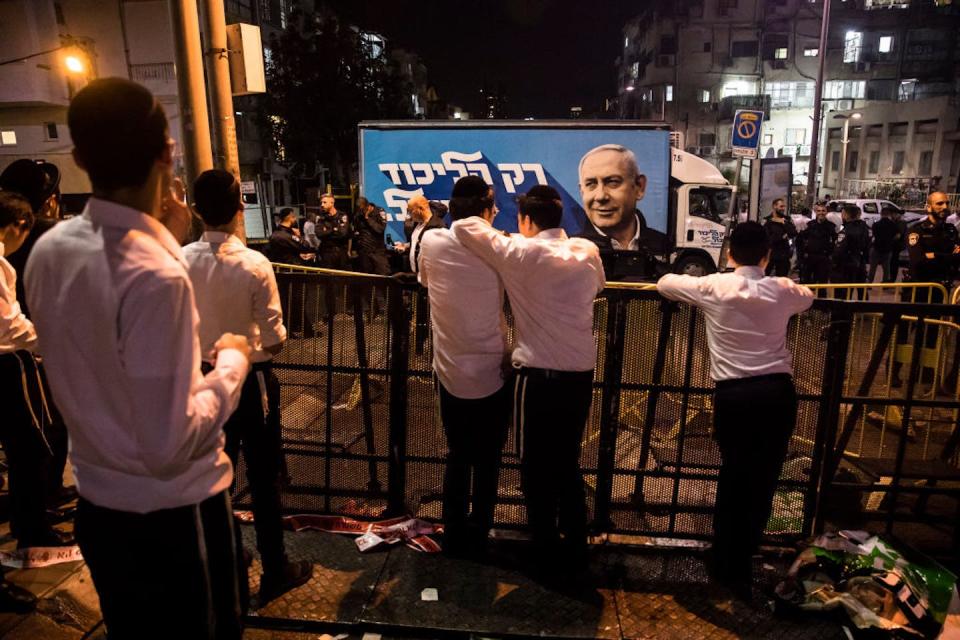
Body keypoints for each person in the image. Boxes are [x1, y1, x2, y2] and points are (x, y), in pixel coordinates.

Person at [25, 78, 250, 639]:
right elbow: (167, 443)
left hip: (100, 505)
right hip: (174, 516)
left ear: (77, 157)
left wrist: (166, 237)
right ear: (168, 153)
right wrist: (231, 366)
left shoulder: (48, 251)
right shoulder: (155, 277)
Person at [453, 183, 605, 580]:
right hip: (580, 376)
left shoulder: (521, 252)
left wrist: (503, 234)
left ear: (526, 220)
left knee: (534, 468)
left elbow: (467, 228)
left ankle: (545, 551)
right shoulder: (587, 252)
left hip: (537, 379)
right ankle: (575, 546)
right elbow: (600, 287)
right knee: (567, 463)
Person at [657, 221, 814, 599]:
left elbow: (665, 283)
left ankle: (725, 559)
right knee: (764, 479)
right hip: (777, 394)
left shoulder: (714, 286)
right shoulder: (783, 290)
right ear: (768, 255)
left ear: (728, 253)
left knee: (733, 476)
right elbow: (807, 295)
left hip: (735, 396)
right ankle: (746, 554)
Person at [184, 169, 312, 606]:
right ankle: (275, 569)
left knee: (210, 476)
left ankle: (224, 564)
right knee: (262, 477)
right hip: (250, 383)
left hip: (200, 379)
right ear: (240, 208)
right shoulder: (255, 265)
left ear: (195, 209)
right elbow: (275, 340)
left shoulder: (180, 260)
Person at [417, 176, 510, 558]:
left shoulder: (432, 242)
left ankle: (453, 530)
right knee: (488, 457)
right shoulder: (500, 247)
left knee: (457, 453)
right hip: (494, 370)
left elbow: (423, 279)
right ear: (486, 211)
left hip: (450, 369)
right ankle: (481, 529)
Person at [0, 191, 63, 614]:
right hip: (6, 367)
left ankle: (32, 527)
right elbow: (9, 325)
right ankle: (32, 530)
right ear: (18, 226)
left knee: (28, 449)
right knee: (31, 447)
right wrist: (51, 341)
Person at [0, 159, 74, 508]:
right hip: (25, 349)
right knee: (40, 435)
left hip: (26, 344)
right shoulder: (50, 234)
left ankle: (36, 505)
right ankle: (37, 512)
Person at [892, 192, 960, 387]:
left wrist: (935, 255)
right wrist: (946, 256)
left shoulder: (950, 231)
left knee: (932, 334)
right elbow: (919, 261)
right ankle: (894, 372)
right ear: (928, 206)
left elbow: (957, 257)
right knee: (905, 332)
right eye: (939, 203)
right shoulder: (917, 230)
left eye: (946, 203)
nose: (944, 206)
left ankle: (925, 375)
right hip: (917, 288)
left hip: (938, 290)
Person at [576, 144, 668, 281]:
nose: (601, 196)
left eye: (612, 182)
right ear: (582, 191)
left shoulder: (665, 245)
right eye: (591, 184)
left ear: (639, 187)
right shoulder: (570, 253)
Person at [831, 203, 870, 298]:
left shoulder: (846, 230)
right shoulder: (864, 227)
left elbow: (839, 251)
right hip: (860, 264)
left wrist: (833, 264)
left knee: (843, 295)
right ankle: (861, 311)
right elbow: (867, 246)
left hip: (845, 268)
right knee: (861, 291)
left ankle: (843, 312)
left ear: (845, 214)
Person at [797, 201, 836, 287]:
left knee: (822, 284)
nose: (821, 213)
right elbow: (800, 239)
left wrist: (830, 255)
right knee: (807, 284)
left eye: (823, 210)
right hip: (810, 258)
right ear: (815, 212)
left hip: (824, 259)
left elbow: (835, 241)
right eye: (819, 211)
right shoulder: (810, 225)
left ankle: (821, 300)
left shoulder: (831, 226)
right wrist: (802, 254)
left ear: (826, 212)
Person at [405, 194, 446, 274]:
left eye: (410, 211)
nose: (409, 215)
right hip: (415, 276)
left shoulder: (437, 227)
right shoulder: (416, 224)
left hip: (429, 278)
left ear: (420, 209)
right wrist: (406, 246)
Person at [353, 198, 390, 276]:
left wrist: (368, 218)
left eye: (363, 210)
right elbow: (356, 230)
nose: (362, 212)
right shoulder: (358, 215)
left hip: (377, 250)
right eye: (360, 210)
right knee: (365, 277)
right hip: (364, 250)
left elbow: (380, 229)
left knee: (382, 274)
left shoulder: (379, 212)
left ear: (368, 206)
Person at [762, 198, 797, 277]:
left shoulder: (787, 220)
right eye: (781, 206)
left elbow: (793, 233)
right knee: (765, 278)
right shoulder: (767, 220)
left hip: (784, 255)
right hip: (770, 255)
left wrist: (783, 223)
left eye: (784, 206)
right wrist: (782, 237)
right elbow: (767, 239)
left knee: (782, 281)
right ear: (774, 206)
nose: (783, 209)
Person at [316, 194, 351, 270]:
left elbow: (343, 234)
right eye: (321, 202)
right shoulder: (321, 218)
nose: (322, 205)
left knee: (343, 278)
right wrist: (334, 230)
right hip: (327, 252)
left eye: (324, 202)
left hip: (341, 252)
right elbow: (319, 234)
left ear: (332, 203)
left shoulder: (342, 216)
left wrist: (327, 231)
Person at [868, 207, 901, 284]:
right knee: (886, 269)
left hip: (876, 248)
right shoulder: (893, 224)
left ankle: (869, 283)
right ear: (889, 214)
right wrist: (891, 239)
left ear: (881, 214)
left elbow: (873, 235)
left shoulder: (876, 224)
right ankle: (885, 284)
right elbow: (898, 235)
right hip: (887, 249)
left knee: (873, 268)